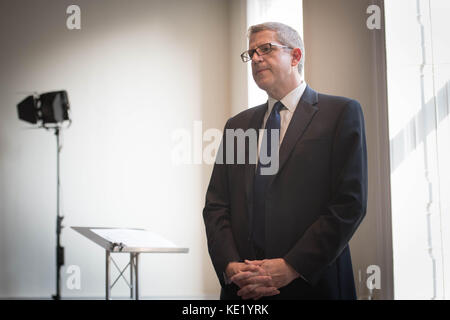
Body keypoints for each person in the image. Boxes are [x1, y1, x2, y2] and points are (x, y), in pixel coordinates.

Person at [203, 22, 367, 300]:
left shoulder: (340, 112)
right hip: (243, 289)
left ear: (295, 56)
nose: (255, 58)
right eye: (251, 53)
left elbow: (349, 204)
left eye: (265, 49)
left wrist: (291, 266)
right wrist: (230, 267)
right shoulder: (237, 126)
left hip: (313, 285)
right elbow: (217, 206)